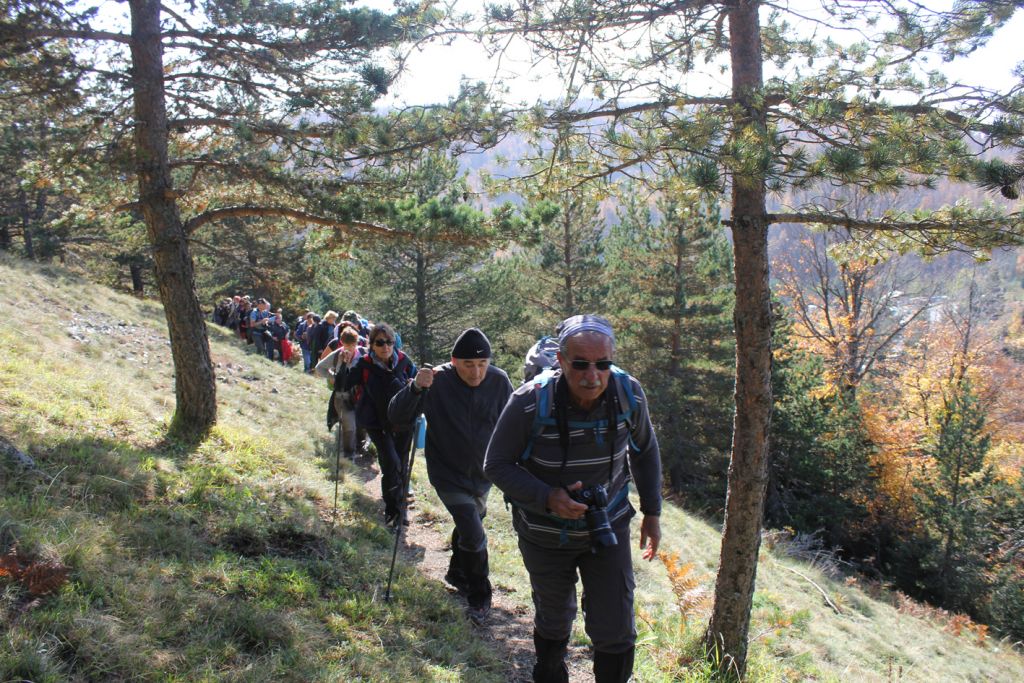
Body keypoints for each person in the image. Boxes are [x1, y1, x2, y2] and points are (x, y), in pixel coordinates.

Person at [484, 314, 662, 683]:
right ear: (561, 361)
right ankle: (550, 671)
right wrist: (548, 496)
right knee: (554, 615)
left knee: (616, 624)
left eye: (603, 364)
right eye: (580, 364)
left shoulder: (628, 393)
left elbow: (644, 450)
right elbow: (496, 464)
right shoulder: (530, 402)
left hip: (607, 528)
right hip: (544, 533)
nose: (592, 375)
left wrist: (652, 512)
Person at [388, 328, 513, 624]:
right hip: (447, 472)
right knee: (473, 530)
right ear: (454, 361)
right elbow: (397, 416)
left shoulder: (499, 381)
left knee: (471, 523)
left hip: (484, 473)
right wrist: (415, 388)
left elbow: (512, 424)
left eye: (482, 364)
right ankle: (480, 596)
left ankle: (457, 571)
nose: (476, 372)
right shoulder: (437, 381)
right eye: (469, 365)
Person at [343, 322, 417, 528]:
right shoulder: (364, 364)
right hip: (377, 423)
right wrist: (346, 365)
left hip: (403, 422)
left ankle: (401, 510)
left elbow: (419, 381)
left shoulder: (404, 361)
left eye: (389, 342)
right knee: (391, 464)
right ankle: (392, 511)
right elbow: (345, 384)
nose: (385, 347)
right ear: (372, 344)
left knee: (401, 465)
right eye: (380, 342)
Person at [315, 326, 363, 460]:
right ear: (341, 343)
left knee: (361, 424)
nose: (349, 348)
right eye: (346, 345)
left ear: (357, 343)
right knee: (349, 426)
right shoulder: (337, 355)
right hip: (341, 396)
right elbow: (319, 368)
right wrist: (333, 376)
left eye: (352, 345)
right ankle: (349, 454)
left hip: (359, 396)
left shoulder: (362, 356)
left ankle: (361, 446)